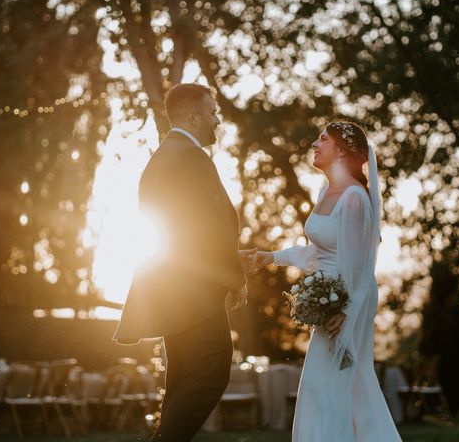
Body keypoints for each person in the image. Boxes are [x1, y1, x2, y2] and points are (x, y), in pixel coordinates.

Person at [113, 83, 254, 441]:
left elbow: (184, 229)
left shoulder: (164, 156)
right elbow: (210, 223)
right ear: (192, 117)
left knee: (182, 379)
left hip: (174, 291)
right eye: (212, 112)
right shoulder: (191, 158)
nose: (217, 119)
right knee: (210, 373)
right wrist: (233, 275)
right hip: (194, 296)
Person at [251, 119, 402, 441]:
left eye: (322, 140)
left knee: (327, 385)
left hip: (348, 303)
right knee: (340, 386)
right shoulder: (326, 192)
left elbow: (361, 266)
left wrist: (345, 310)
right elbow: (319, 254)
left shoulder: (354, 199)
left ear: (342, 150)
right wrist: (272, 256)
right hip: (330, 301)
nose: (314, 145)